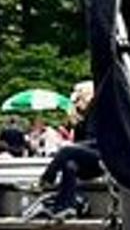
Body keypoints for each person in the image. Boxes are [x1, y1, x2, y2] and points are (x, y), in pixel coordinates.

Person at [31, 84, 101, 220]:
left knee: (66, 151)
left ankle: (46, 180)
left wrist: (75, 147)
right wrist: (76, 123)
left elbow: (98, 142)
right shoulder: (83, 118)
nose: (76, 104)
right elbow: (79, 143)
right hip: (88, 160)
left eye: (78, 100)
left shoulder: (99, 113)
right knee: (69, 165)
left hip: (101, 156)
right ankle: (66, 206)